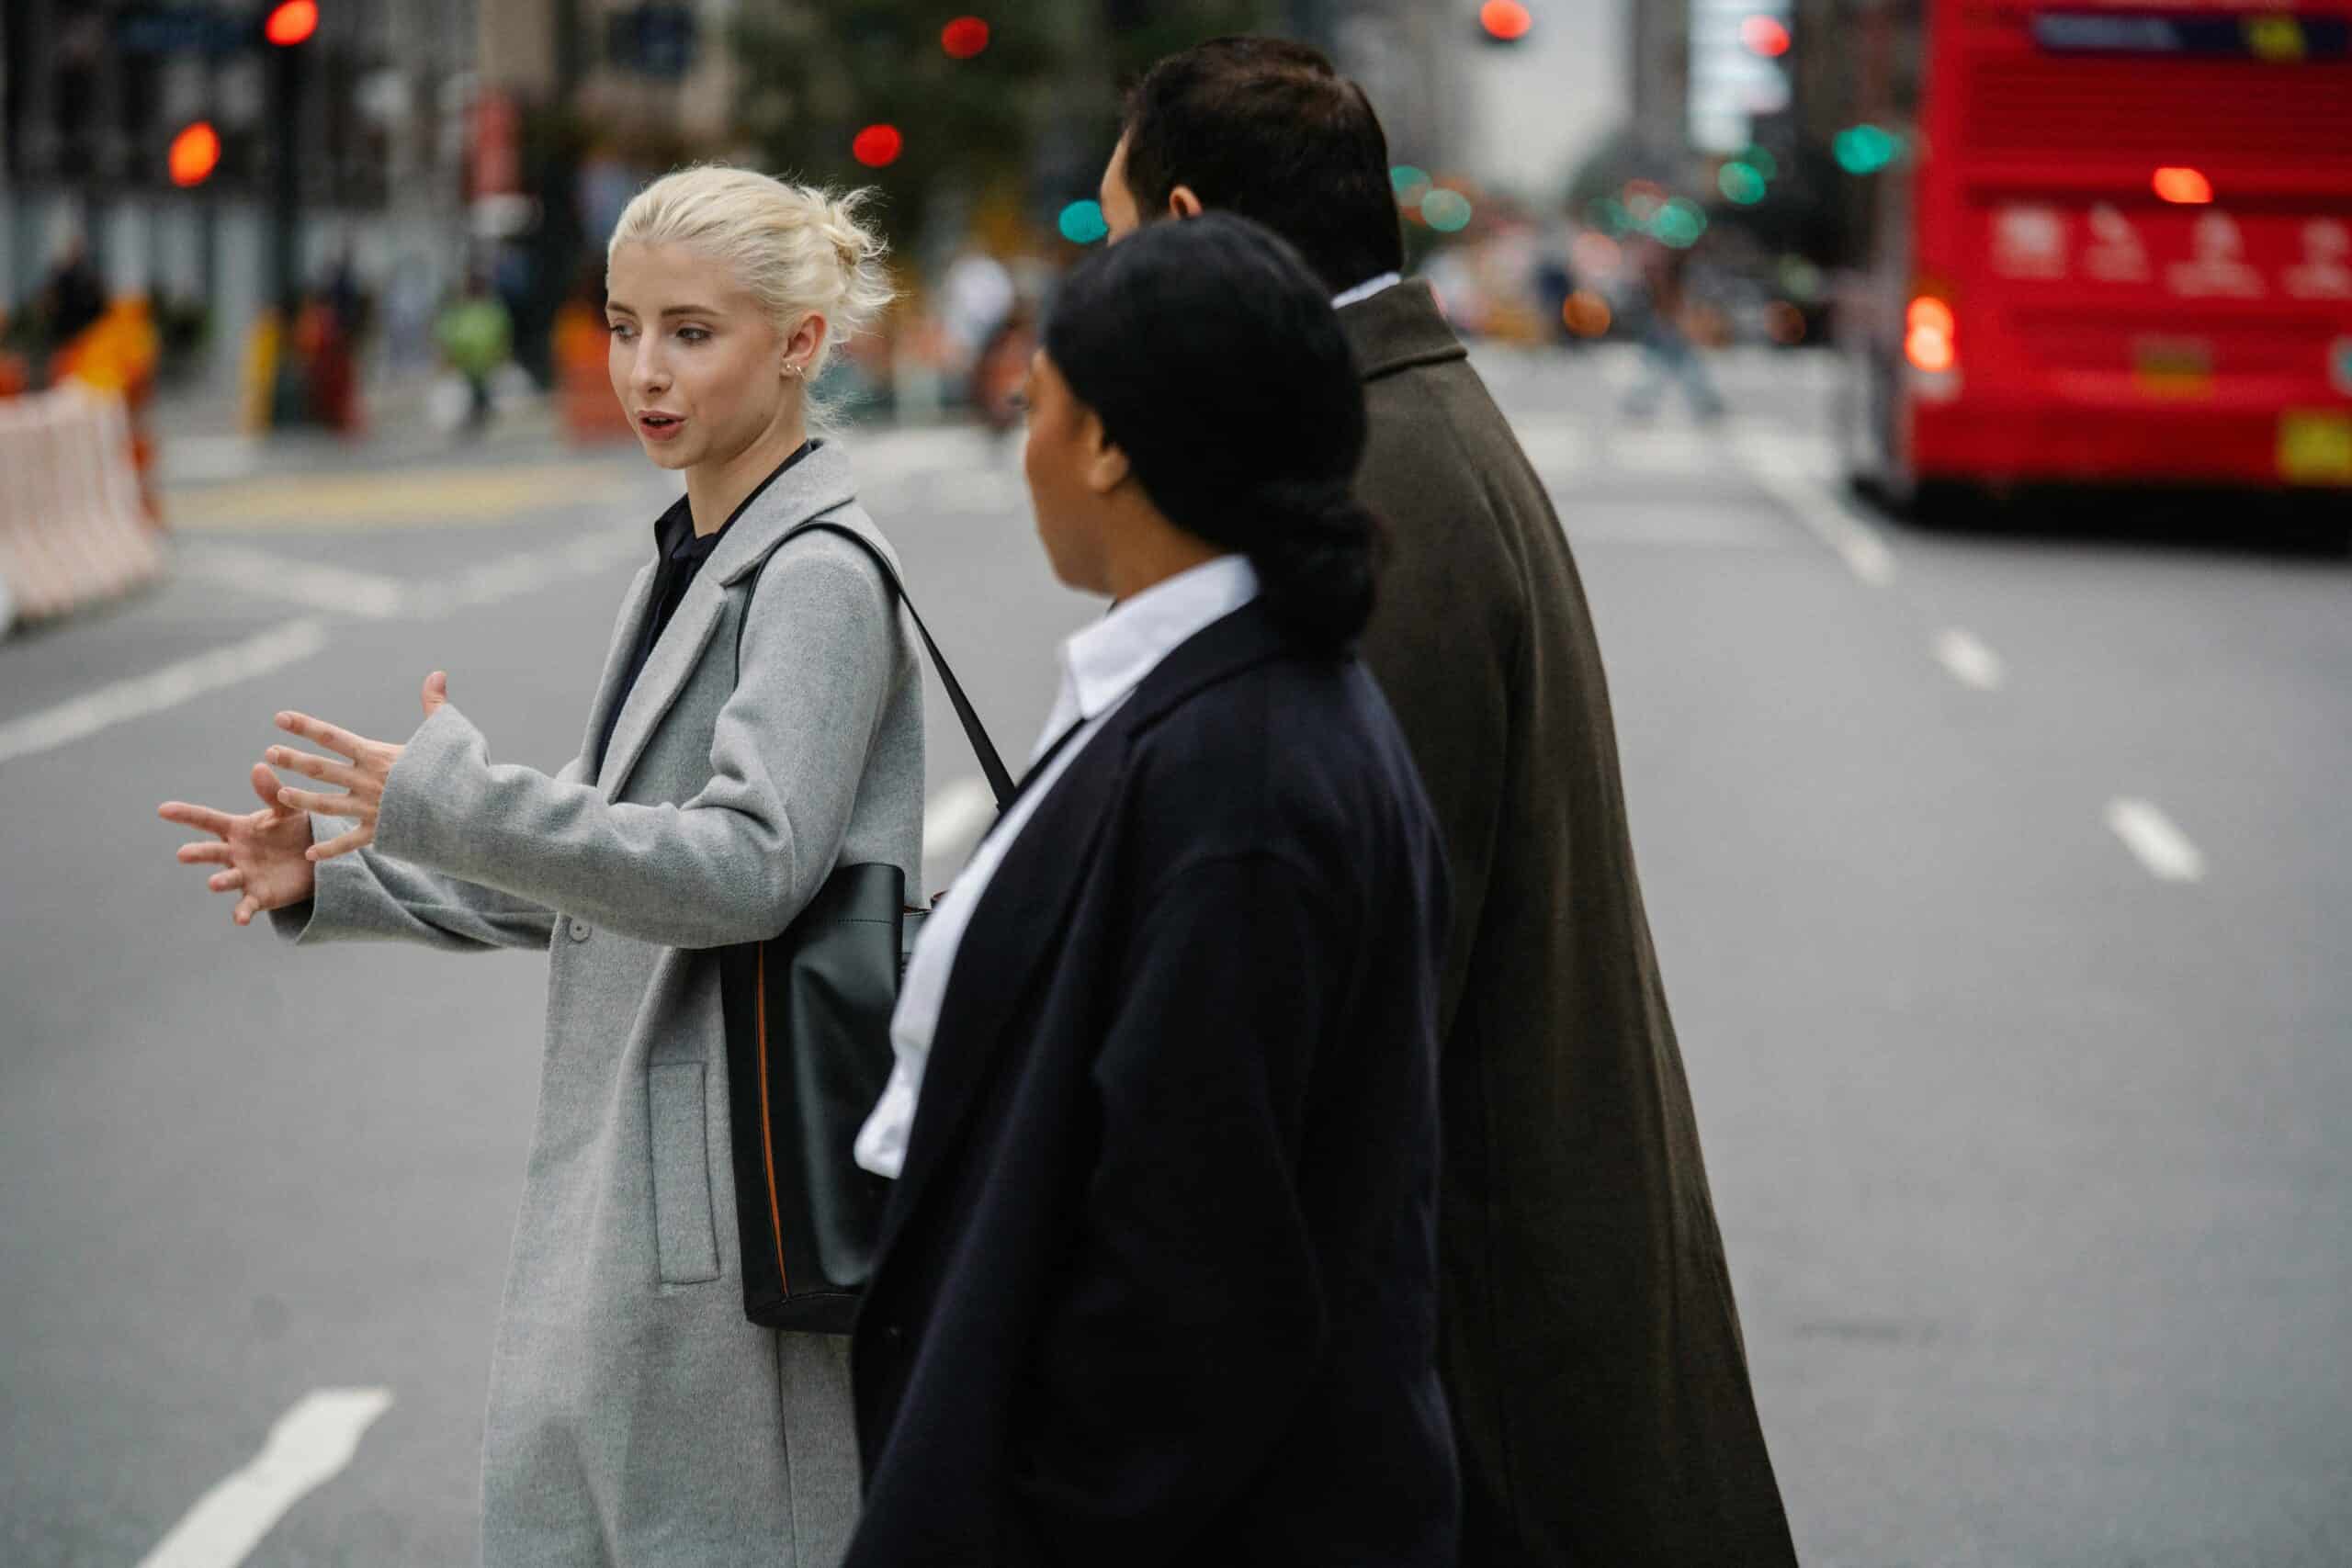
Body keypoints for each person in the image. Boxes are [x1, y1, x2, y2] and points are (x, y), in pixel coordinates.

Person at [1102, 39, 1797, 1567]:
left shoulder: (1374, 484)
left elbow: (1336, 1009)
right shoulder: (1397, 421)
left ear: (1191, 231)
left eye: (1114, 232)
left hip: (1479, 1375)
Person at [158, 165, 914, 1567]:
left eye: (692, 332)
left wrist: (460, 803)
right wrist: (343, 876)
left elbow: (749, 864)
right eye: (624, 326)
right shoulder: (694, 555)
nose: (643, 370)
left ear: (799, 343)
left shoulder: (815, 573)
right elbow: (597, 855)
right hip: (643, 1201)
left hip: (726, 1203)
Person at [842, 212, 1457, 1567]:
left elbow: (1193, 1274)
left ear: (1109, 443)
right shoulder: (1216, 700)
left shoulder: (1243, 779)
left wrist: (1027, 1512)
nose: (1023, 446)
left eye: (1037, 406)